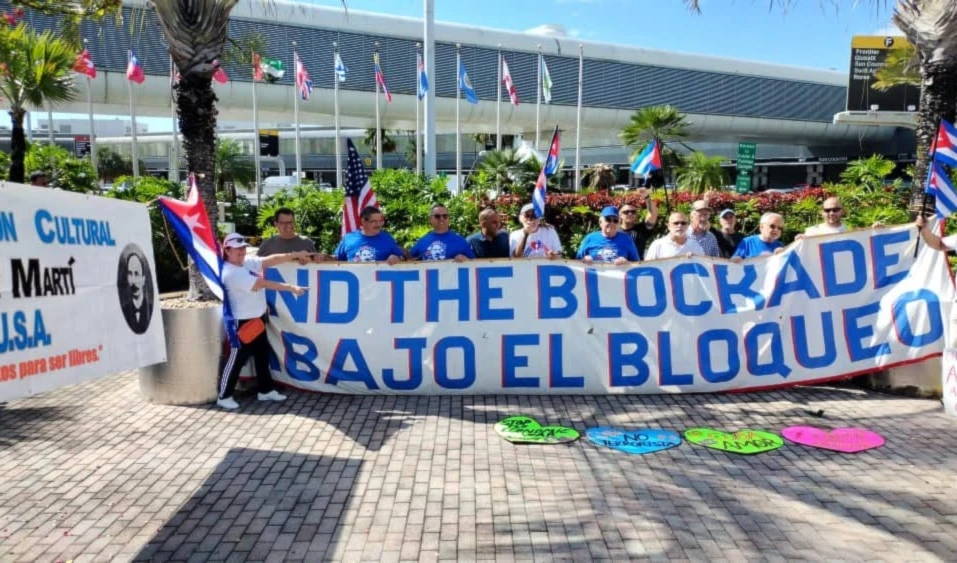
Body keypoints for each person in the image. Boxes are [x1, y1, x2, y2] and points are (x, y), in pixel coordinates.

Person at [217, 233, 309, 410]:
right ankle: (224, 395)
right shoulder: (230, 273)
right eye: (237, 248)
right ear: (227, 250)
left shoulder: (245, 262)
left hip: (257, 318)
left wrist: (295, 254)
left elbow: (269, 260)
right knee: (236, 359)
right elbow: (261, 283)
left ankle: (265, 390)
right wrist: (290, 288)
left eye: (243, 247)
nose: (242, 251)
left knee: (262, 355)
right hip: (242, 321)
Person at [334, 206, 406, 264]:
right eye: (374, 221)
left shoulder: (387, 238)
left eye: (380, 221)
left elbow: (403, 257)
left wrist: (396, 257)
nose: (378, 225)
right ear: (363, 221)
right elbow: (337, 259)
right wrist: (324, 257)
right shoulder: (349, 238)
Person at [410, 204, 475, 262]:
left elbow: (474, 263)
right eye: (437, 216)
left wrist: (466, 260)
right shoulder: (422, 241)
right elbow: (409, 260)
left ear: (449, 218)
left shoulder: (461, 241)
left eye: (445, 216)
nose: (441, 218)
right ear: (430, 219)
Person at [258, 207, 326, 261]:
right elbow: (255, 265)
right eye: (283, 223)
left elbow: (316, 262)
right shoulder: (267, 244)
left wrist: (317, 257)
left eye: (290, 222)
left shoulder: (306, 242)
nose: (288, 225)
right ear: (276, 224)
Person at [118, 248, 154, 335]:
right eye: (130, 274)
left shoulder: (150, 307)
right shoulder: (123, 310)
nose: (133, 280)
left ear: (143, 278)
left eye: (137, 274)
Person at [619, 189, 658, 260]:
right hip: (618, 268)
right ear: (620, 215)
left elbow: (653, 214)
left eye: (633, 212)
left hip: (637, 269)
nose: (630, 214)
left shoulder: (641, 229)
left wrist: (646, 197)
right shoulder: (614, 231)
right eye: (626, 212)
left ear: (636, 214)